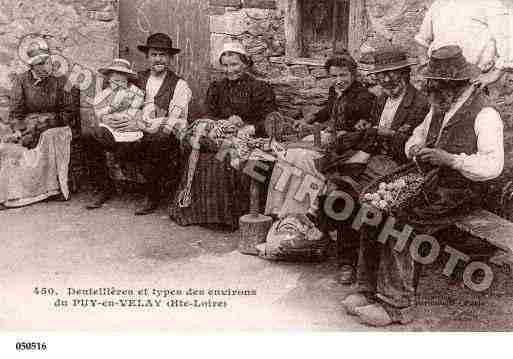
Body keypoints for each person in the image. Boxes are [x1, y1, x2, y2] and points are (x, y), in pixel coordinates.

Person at [341, 45, 504, 327]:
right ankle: (366, 289)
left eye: (436, 85)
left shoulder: (485, 114)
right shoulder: (441, 106)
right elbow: (416, 135)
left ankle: (397, 305)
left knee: (398, 220)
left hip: (462, 191)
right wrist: (414, 147)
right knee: (372, 210)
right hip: (430, 182)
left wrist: (451, 159)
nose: (430, 90)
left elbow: (492, 166)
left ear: (454, 84)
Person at [169, 41, 280, 229]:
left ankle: (228, 217)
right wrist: (222, 123)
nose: (230, 70)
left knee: (225, 158)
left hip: (249, 137)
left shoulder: (260, 88)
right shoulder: (217, 87)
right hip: (221, 135)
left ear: (245, 63)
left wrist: (248, 127)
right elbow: (209, 114)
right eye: (226, 65)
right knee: (201, 155)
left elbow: (271, 120)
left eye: (235, 64)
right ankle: (201, 214)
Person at [85, 33, 192, 215]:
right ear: (147, 57)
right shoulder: (134, 78)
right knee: (90, 136)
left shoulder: (179, 85)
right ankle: (104, 187)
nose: (158, 59)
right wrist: (107, 118)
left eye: (163, 55)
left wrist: (142, 124)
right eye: (154, 54)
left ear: (170, 58)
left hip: (155, 135)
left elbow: (178, 120)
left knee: (159, 139)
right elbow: (111, 99)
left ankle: (152, 194)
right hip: (124, 131)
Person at [1, 44, 79, 208]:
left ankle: (51, 189)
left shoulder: (62, 81)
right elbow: (15, 113)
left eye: (48, 62)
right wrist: (19, 130)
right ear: (32, 66)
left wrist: (45, 123)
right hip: (29, 125)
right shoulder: (21, 81)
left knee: (48, 137)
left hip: (56, 125)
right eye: (40, 64)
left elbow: (69, 112)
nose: (46, 67)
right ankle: (19, 192)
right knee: (8, 146)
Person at [415, 0, 513, 88]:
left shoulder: (491, 4)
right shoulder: (439, 4)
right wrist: (426, 67)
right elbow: (423, 40)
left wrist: (494, 74)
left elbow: (509, 40)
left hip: (476, 78)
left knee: (477, 107)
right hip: (439, 78)